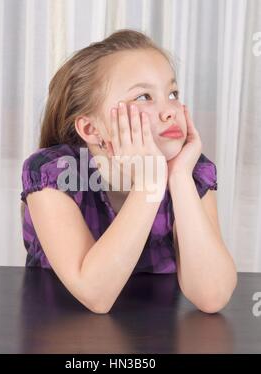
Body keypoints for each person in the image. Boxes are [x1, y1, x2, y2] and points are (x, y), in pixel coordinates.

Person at [20, 29, 237, 314]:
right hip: (63, 324)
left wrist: (179, 177)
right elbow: (95, 295)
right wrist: (148, 186)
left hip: (155, 330)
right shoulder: (52, 174)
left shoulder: (191, 171)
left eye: (172, 93)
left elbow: (212, 296)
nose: (170, 110)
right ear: (91, 129)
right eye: (144, 96)